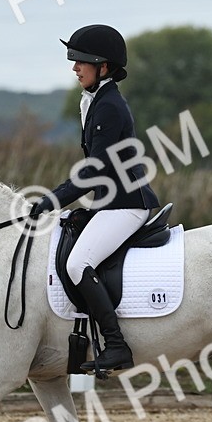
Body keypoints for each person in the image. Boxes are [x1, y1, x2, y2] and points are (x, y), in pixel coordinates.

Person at [29, 24, 160, 372]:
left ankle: (116, 345)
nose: (74, 68)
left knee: (77, 264)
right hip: (111, 201)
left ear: (103, 66)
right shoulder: (97, 101)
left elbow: (96, 170)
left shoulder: (110, 106)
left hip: (127, 204)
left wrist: (52, 200)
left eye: (80, 61)